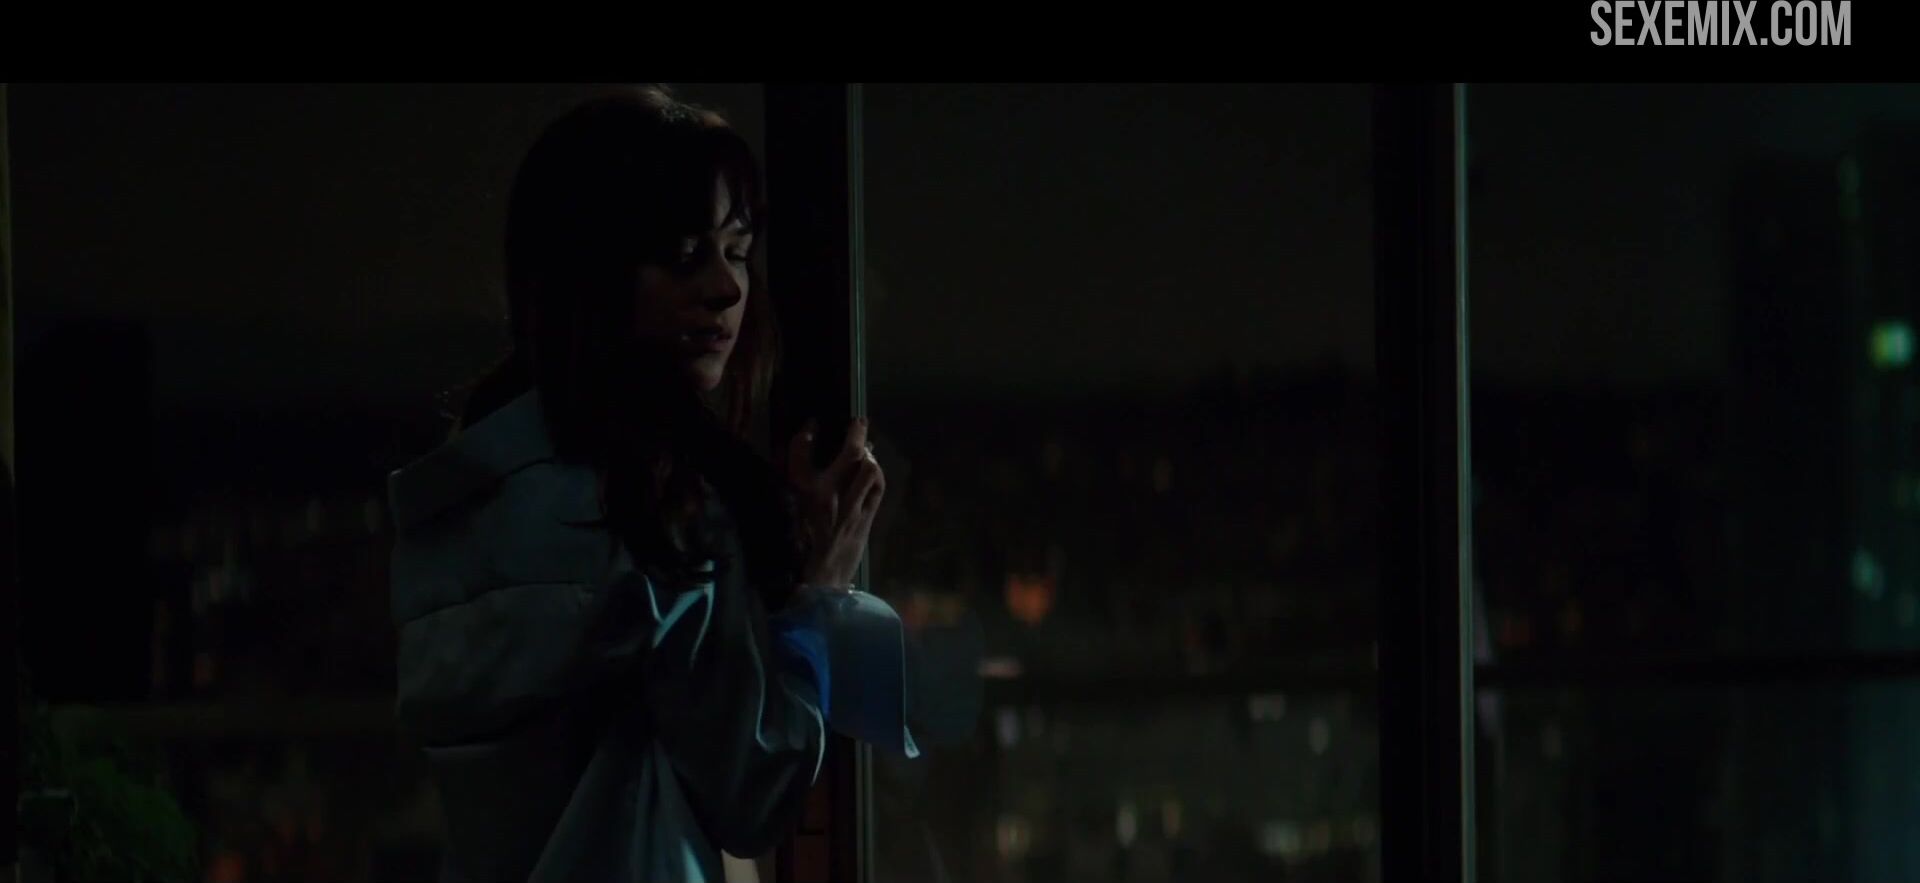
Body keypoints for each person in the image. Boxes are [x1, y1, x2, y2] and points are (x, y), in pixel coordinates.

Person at [386, 85, 913, 883]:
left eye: (738, 250)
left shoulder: (461, 500)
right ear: (594, 271)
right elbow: (757, 791)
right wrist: (821, 594)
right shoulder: (653, 513)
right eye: (685, 253)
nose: (727, 288)